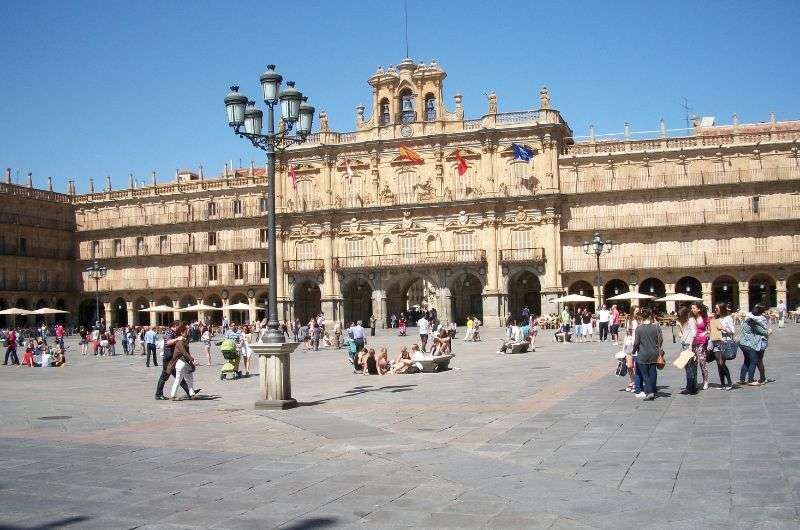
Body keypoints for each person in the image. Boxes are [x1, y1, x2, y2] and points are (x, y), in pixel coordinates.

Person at [631, 308, 663, 400]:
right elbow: (660, 340)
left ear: (641, 317)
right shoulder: (656, 327)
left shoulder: (639, 329)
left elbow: (636, 343)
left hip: (643, 353)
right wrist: (657, 346)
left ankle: (650, 392)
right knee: (653, 372)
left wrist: (633, 351)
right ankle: (653, 389)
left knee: (645, 374)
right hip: (654, 353)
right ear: (650, 316)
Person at [155, 321, 191, 400]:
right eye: (179, 326)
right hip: (168, 359)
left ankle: (190, 392)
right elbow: (168, 342)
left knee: (179, 376)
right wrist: (178, 338)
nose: (180, 328)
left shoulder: (174, 332)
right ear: (175, 325)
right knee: (164, 376)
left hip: (173, 359)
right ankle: (158, 394)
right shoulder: (169, 332)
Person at [739, 303, 771, 386]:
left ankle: (742, 379)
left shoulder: (747, 318)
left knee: (746, 361)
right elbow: (763, 331)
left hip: (742, 343)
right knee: (755, 361)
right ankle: (752, 380)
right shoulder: (754, 321)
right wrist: (768, 332)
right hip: (751, 344)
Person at [168, 325, 199, 400]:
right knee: (178, 379)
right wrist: (192, 360)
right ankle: (173, 395)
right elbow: (184, 353)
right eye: (186, 331)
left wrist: (191, 361)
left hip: (186, 362)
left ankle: (192, 394)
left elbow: (187, 352)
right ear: (181, 332)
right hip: (180, 363)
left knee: (190, 378)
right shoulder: (180, 342)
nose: (188, 331)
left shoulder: (184, 341)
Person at [710, 303, 735, 390]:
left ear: (722, 308)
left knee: (721, 363)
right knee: (718, 364)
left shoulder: (728, 318)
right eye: (715, 308)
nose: (715, 310)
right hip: (716, 342)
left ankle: (729, 383)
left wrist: (723, 329)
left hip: (724, 342)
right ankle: (722, 384)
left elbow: (732, 331)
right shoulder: (716, 318)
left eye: (717, 308)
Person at [676, 307, 697, 394]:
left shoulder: (691, 320)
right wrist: (679, 326)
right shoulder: (685, 321)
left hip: (689, 345)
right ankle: (691, 387)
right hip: (685, 344)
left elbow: (694, 333)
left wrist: (691, 346)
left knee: (690, 367)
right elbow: (681, 335)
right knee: (688, 366)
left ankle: (691, 388)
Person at [690, 303, 711, 390]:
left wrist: (704, 333)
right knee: (693, 363)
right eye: (691, 308)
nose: (692, 310)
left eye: (694, 308)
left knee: (702, 362)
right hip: (693, 342)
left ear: (699, 309)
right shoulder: (691, 318)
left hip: (702, 343)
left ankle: (705, 381)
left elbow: (709, 329)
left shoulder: (705, 318)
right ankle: (693, 382)